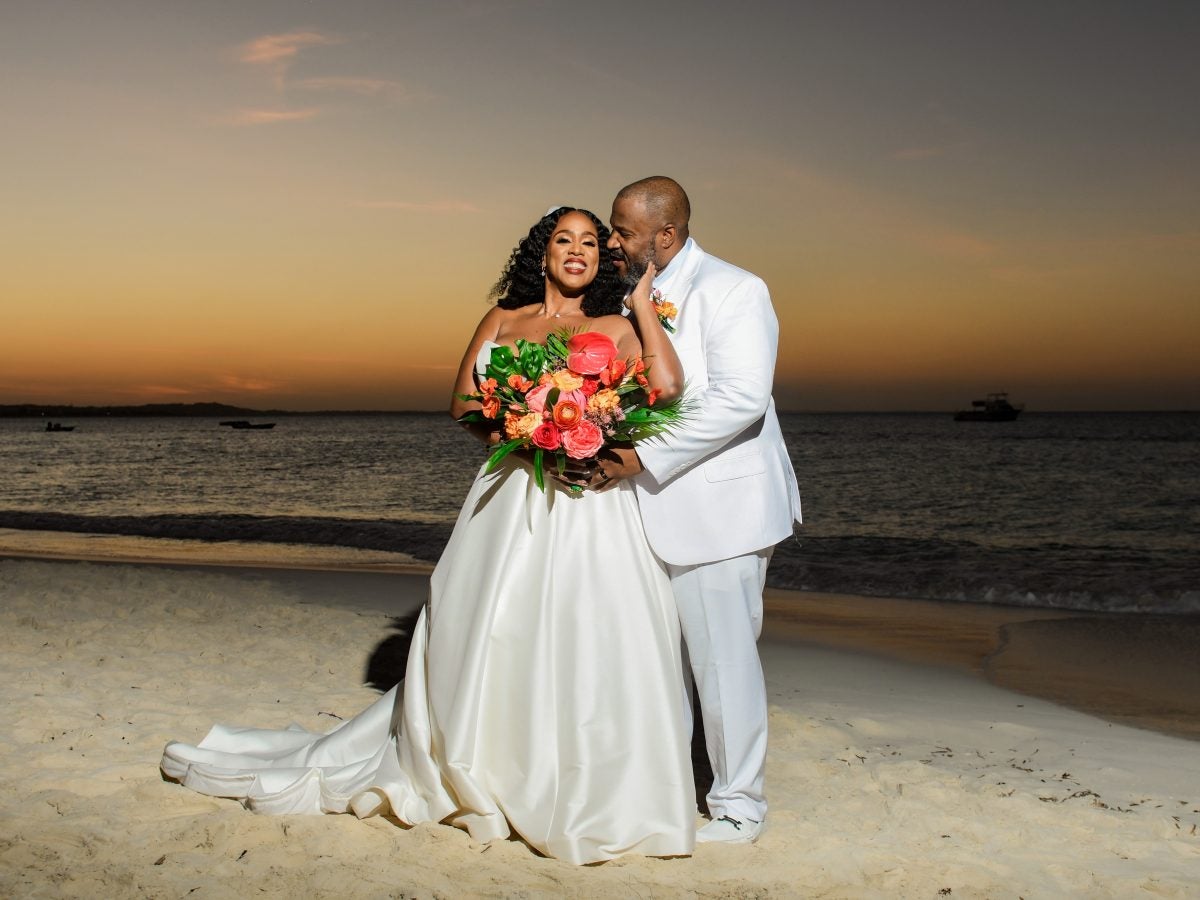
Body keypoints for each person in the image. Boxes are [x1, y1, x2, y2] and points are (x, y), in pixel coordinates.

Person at [161, 207, 696, 864]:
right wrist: (523, 434)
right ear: (543, 252)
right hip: (511, 492)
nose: (578, 250)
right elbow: (463, 402)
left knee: (580, 626)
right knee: (487, 624)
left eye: (590, 241)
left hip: (586, 502)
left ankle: (575, 771)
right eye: (564, 239)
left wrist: (640, 302)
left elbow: (667, 391)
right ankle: (482, 755)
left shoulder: (616, 326)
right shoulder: (505, 319)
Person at [593, 176, 802, 845]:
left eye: (623, 230)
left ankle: (741, 807)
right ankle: (678, 782)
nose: (612, 240)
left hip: (723, 513)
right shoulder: (629, 299)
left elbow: (741, 400)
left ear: (667, 234)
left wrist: (640, 455)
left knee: (724, 664)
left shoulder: (735, 289)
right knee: (666, 661)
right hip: (649, 513)